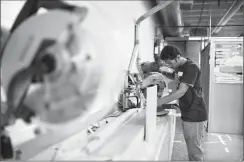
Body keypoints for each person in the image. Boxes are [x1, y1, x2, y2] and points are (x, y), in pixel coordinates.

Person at [157, 45, 208, 161]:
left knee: (195, 153)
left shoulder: (191, 67)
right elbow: (175, 77)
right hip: (187, 113)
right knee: (192, 149)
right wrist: (159, 71)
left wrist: (157, 102)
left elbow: (181, 92)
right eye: (166, 64)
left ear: (178, 57)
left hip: (195, 115)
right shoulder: (179, 68)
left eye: (169, 63)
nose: (169, 66)